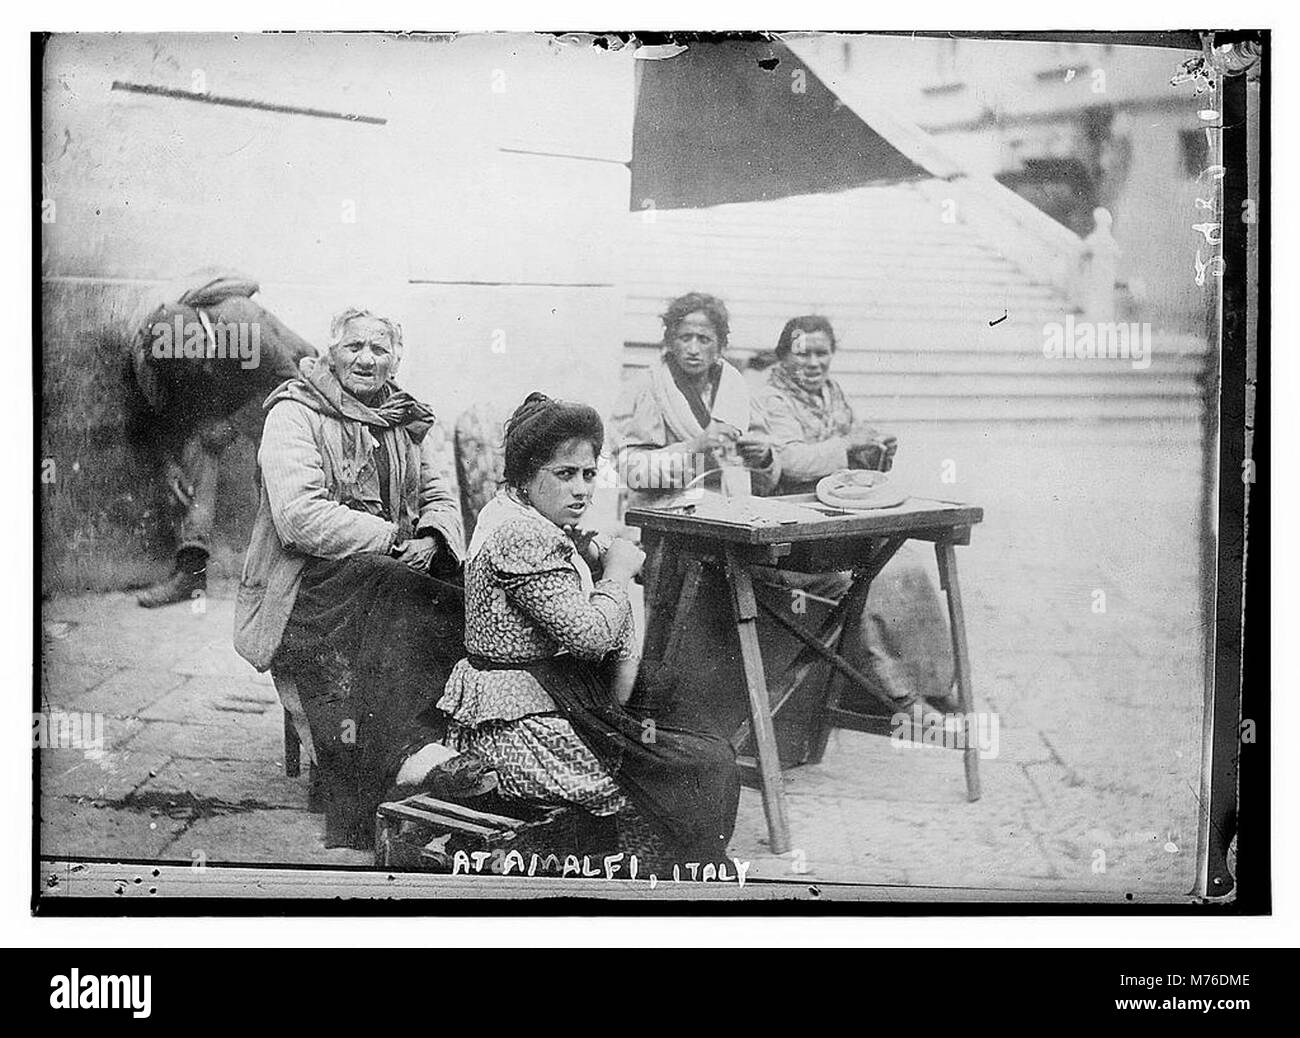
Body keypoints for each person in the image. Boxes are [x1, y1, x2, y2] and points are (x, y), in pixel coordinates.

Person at [437, 392, 740, 869]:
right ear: (524, 475)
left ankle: (668, 855)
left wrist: (586, 557)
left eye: (588, 474)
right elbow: (592, 638)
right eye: (564, 474)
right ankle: (656, 869)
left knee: (675, 703)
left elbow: (606, 650)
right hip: (517, 721)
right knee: (671, 767)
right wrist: (617, 574)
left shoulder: (523, 515)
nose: (581, 489)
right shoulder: (520, 533)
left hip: (549, 691)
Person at [234, 307, 473, 849]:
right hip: (305, 585)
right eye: (354, 347)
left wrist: (432, 538)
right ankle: (394, 770)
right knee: (397, 588)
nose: (367, 358)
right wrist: (391, 538)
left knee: (452, 592)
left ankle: (424, 759)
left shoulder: (401, 418)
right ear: (331, 352)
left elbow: (439, 494)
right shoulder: (294, 413)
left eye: (380, 349)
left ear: (396, 360)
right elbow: (298, 518)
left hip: (386, 573)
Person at [754, 314, 957, 714]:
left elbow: (852, 458)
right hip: (793, 530)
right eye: (802, 353)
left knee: (905, 565)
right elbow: (789, 459)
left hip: (840, 517)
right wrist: (849, 443)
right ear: (783, 355)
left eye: (822, 353)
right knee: (873, 574)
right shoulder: (768, 398)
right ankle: (899, 693)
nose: (813, 363)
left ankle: (933, 682)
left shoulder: (832, 392)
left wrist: (877, 450)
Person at [127, 271, 318, 607]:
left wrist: (231, 425)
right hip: (236, 394)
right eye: (187, 370)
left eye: (198, 361)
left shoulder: (242, 324)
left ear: (204, 335)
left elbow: (293, 384)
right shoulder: (160, 345)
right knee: (198, 445)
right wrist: (169, 463)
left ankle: (303, 574)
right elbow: (163, 412)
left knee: (278, 461)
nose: (195, 371)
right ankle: (191, 571)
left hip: (288, 391)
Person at [610, 292, 780, 501]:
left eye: (704, 340)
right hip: (666, 513)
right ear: (670, 341)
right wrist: (694, 447)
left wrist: (763, 459)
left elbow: (763, 478)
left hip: (730, 510)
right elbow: (628, 470)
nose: (693, 349)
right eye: (685, 338)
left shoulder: (735, 387)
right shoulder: (646, 388)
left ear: (720, 345)